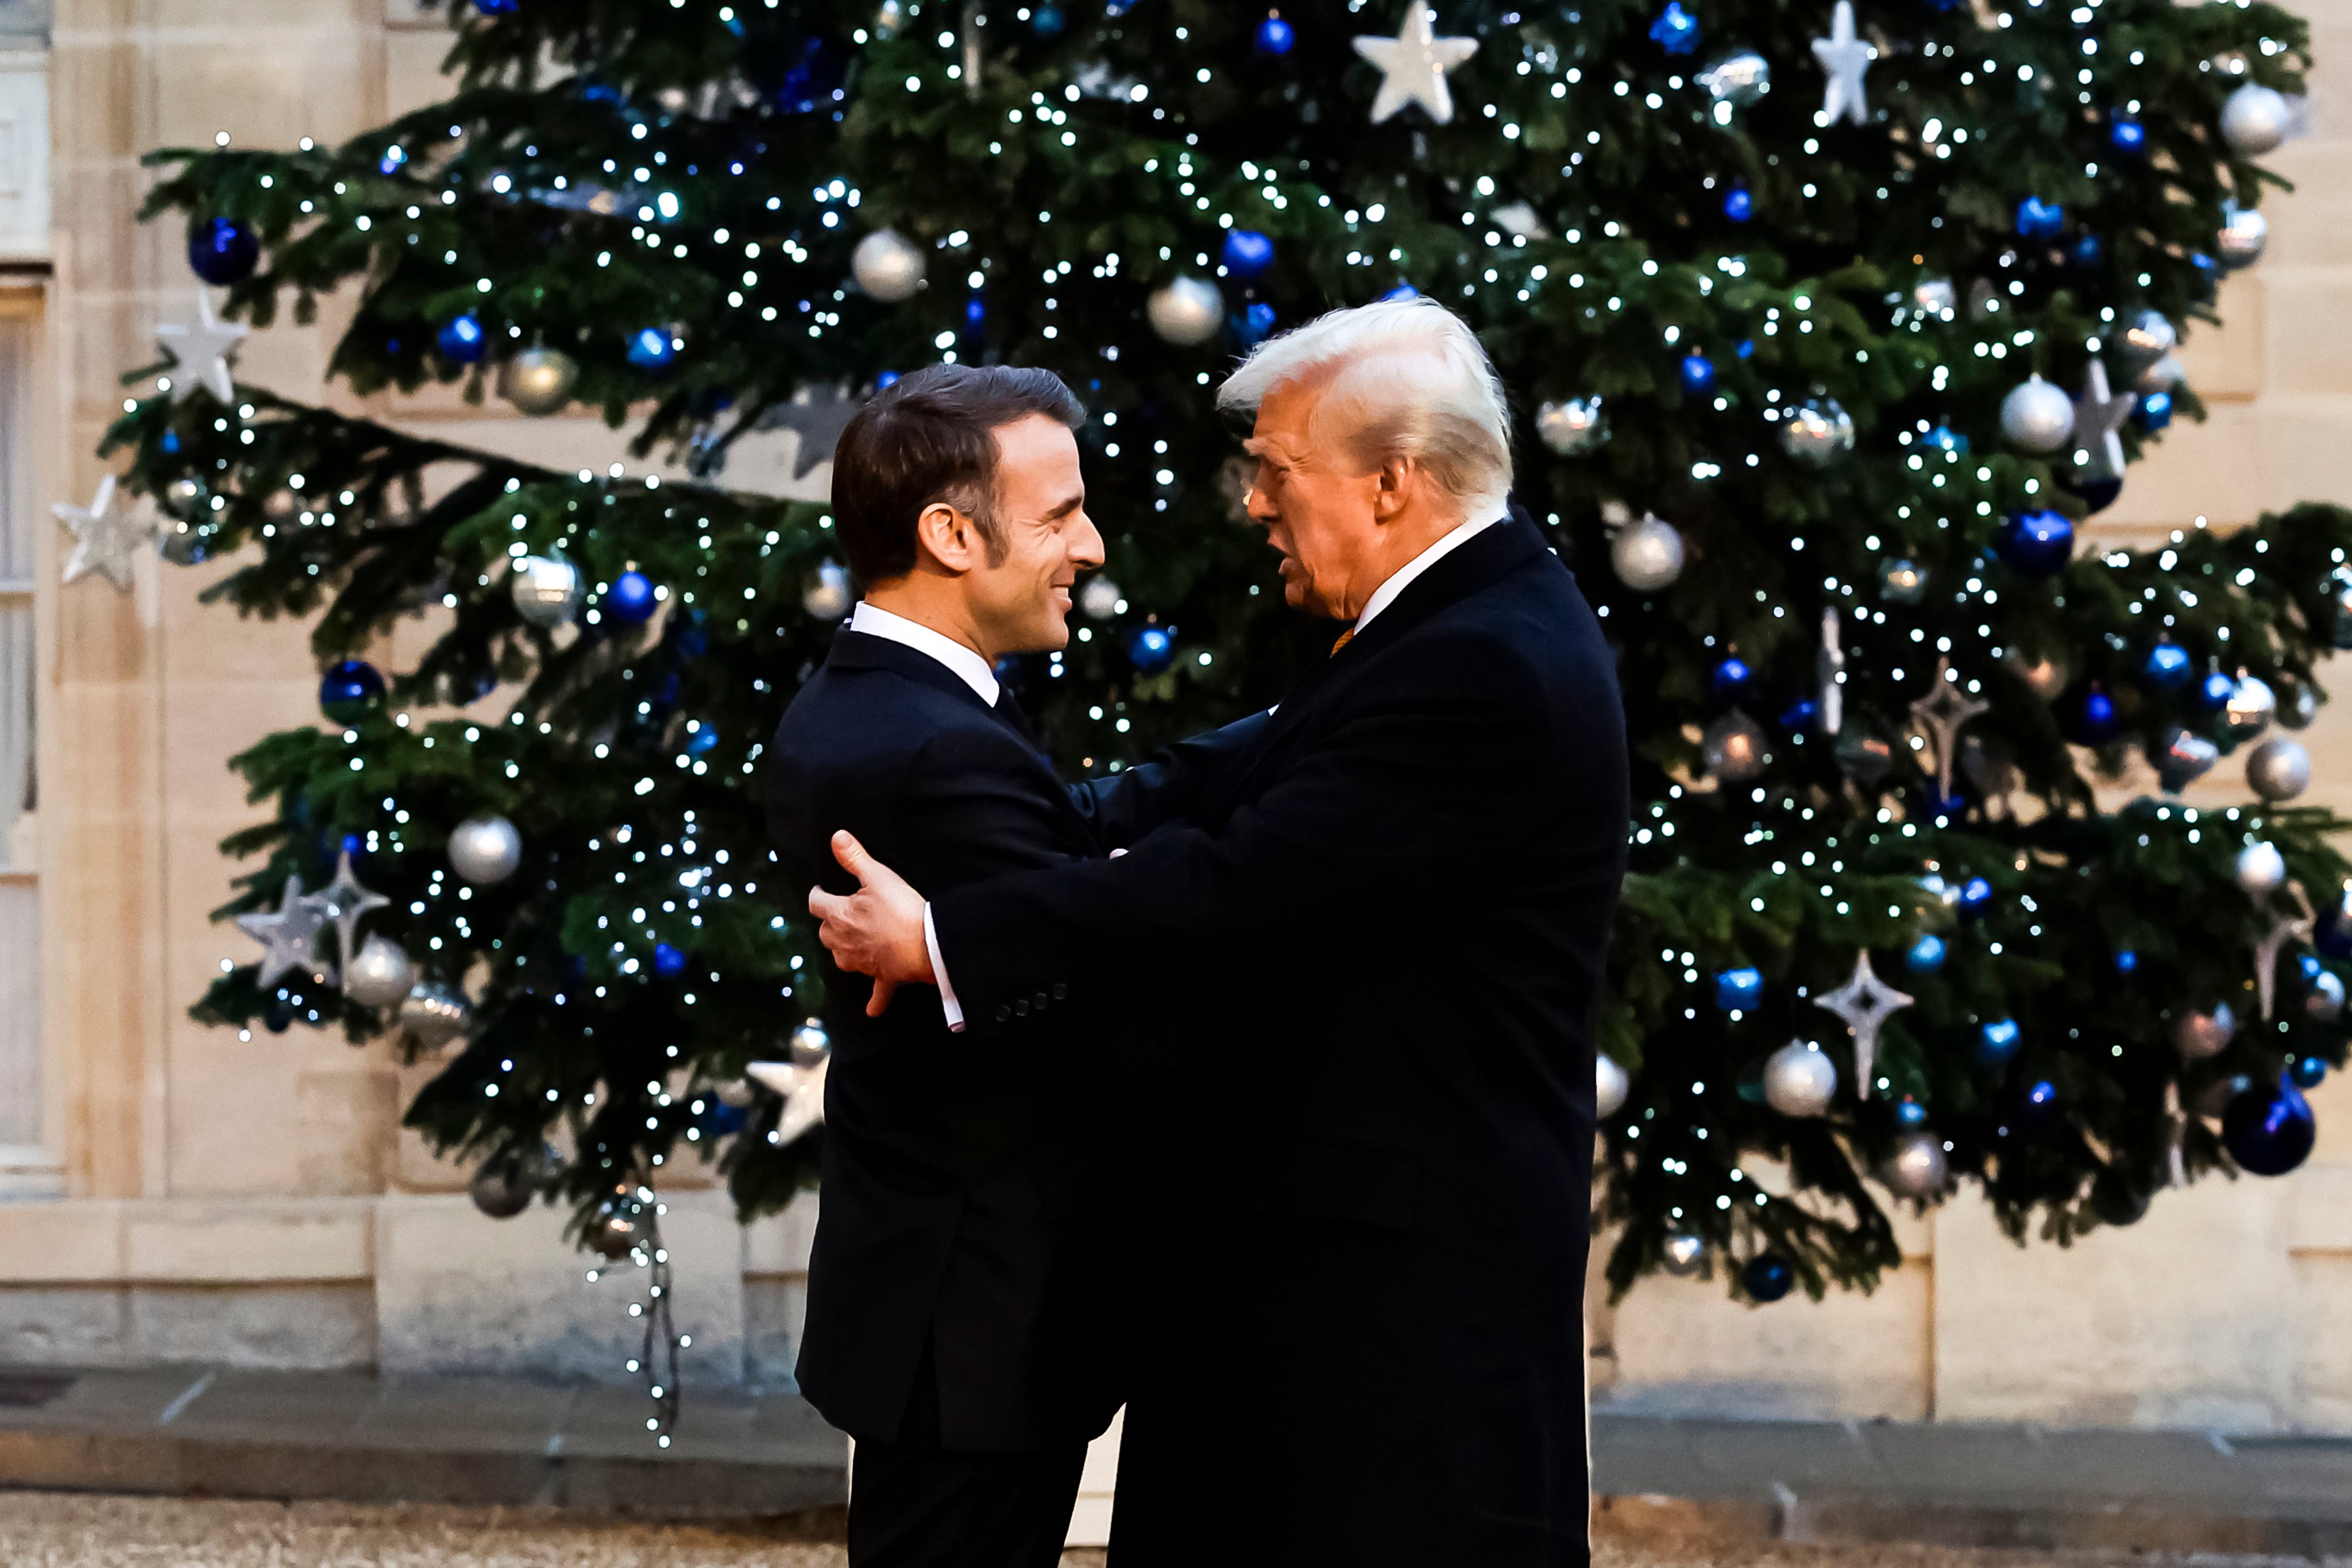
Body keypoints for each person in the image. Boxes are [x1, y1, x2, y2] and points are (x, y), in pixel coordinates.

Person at [809, 298, 1632, 1567]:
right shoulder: (1458, 617)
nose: (1253, 502)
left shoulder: (1484, 662)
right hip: (1333, 1276)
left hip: (1388, 1307)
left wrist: (952, 941)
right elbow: (1237, 772)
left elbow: (1242, 877)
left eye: (1276, 469)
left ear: (1389, 482)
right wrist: (1053, 821)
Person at [764, 364, 1138, 1568]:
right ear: (949, 535)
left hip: (938, 1295)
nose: (1086, 542)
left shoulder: (878, 703)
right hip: (978, 1317)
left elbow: (1053, 880)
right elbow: (1083, 1002)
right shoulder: (937, 750)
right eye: (1057, 514)